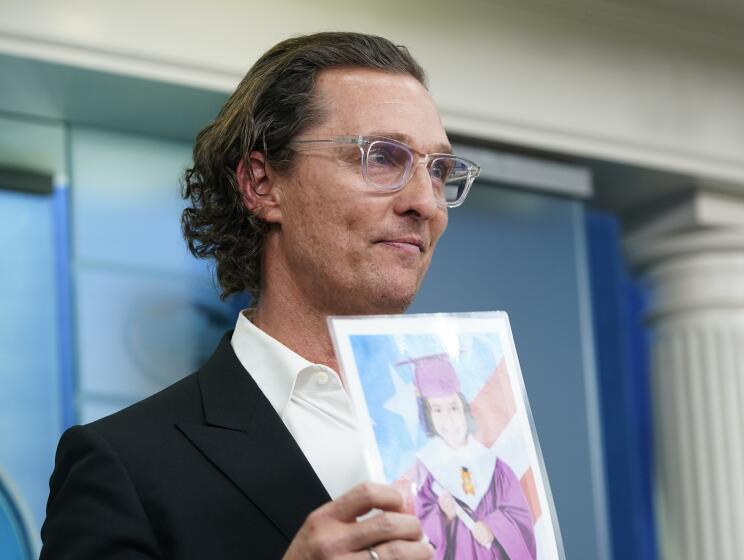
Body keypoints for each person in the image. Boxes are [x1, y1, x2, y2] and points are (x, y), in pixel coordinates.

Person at [40, 32, 480, 559]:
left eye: (438, 171)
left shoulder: (469, 436)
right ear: (262, 183)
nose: (425, 203)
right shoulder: (126, 464)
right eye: (383, 158)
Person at [405, 354, 537, 559]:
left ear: (464, 408)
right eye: (437, 410)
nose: (448, 419)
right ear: (428, 416)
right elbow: (421, 523)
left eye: (454, 407)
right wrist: (444, 515)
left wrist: (493, 526)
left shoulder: (496, 467)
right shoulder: (427, 469)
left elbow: (519, 515)